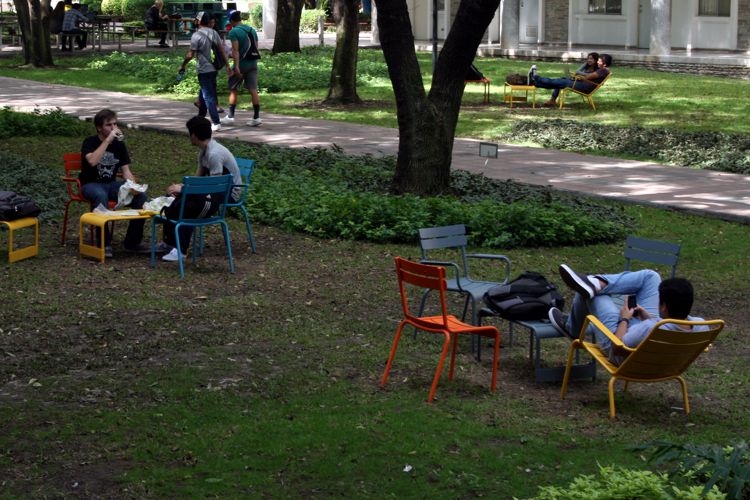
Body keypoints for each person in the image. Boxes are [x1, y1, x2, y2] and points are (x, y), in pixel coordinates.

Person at [548, 264, 710, 365]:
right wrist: (649, 318)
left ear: (664, 308)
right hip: (654, 355)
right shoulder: (700, 325)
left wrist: (625, 318)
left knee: (593, 295)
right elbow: (667, 328)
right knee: (651, 277)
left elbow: (618, 348)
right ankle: (596, 282)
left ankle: (572, 327)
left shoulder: (648, 328)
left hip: (624, 355)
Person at [157, 116, 242, 262]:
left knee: (189, 206)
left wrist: (184, 190)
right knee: (176, 198)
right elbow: (198, 179)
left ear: (194, 135)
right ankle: (170, 243)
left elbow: (215, 186)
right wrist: (182, 188)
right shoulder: (203, 152)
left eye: (189, 133)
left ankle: (180, 250)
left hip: (228, 192)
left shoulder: (214, 154)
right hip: (214, 190)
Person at [81, 109, 149, 257]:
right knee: (100, 195)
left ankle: (133, 242)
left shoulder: (119, 145)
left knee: (141, 197)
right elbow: (92, 161)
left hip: (111, 184)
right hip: (90, 184)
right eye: (108, 125)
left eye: (115, 124)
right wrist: (107, 141)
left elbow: (126, 171)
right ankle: (104, 244)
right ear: (99, 127)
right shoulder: (90, 142)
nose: (113, 128)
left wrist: (133, 186)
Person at [179, 11, 230, 132]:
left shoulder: (196, 36)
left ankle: (216, 123)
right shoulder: (214, 33)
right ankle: (200, 118)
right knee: (204, 93)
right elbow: (222, 50)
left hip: (203, 70)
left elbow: (190, 54)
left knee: (208, 97)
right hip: (214, 69)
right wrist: (227, 65)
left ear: (198, 21)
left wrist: (183, 65)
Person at [223, 10, 262, 127]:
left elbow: (235, 51)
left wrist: (236, 67)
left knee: (233, 89)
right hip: (253, 64)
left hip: (241, 65)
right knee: (253, 90)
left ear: (231, 20)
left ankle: (230, 116)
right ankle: (256, 117)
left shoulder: (234, 32)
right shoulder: (252, 30)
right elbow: (256, 47)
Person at [532, 53, 612, 106]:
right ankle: (534, 82)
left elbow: (588, 77)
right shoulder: (603, 70)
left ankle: (536, 77)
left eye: (599, 61)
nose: (597, 62)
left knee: (557, 82)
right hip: (580, 84)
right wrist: (577, 77)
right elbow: (588, 77)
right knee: (557, 82)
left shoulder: (603, 70)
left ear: (604, 64)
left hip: (582, 87)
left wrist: (579, 76)